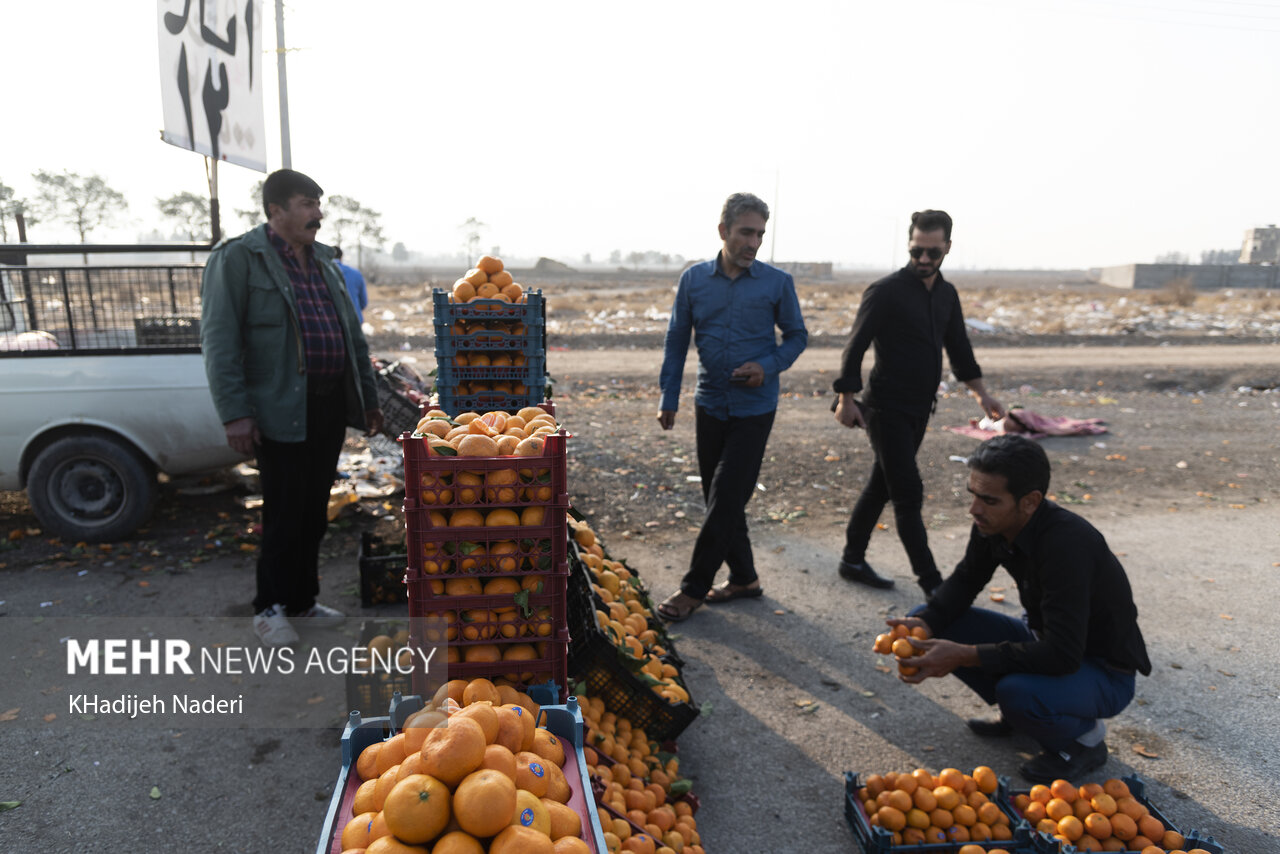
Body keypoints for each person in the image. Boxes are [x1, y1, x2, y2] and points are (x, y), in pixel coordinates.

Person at [886, 435, 1151, 783]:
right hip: (1046, 641)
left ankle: (1083, 741)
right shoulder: (993, 523)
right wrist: (922, 623)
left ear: (1030, 502)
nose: (974, 509)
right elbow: (966, 580)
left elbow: (1062, 656)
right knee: (933, 618)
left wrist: (963, 655)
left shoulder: (1066, 546)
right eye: (974, 496)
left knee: (1016, 691)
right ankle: (1025, 716)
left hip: (1104, 672)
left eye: (989, 500)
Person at [200, 169, 384, 646]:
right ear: (275, 210)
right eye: (306, 204)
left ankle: (302, 601)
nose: (317, 214)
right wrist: (235, 413)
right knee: (283, 512)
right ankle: (269, 607)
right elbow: (220, 342)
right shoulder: (239, 258)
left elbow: (351, 337)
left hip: (326, 409)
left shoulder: (323, 262)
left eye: (318, 204)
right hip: (280, 410)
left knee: (313, 511)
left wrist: (367, 400)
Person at [832, 209, 1005, 595]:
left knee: (881, 485)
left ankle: (851, 560)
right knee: (908, 493)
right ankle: (934, 587)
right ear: (909, 246)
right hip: (884, 409)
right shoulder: (886, 291)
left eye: (933, 253)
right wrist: (846, 399)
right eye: (917, 252)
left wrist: (982, 394)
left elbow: (959, 347)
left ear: (947, 248)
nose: (924, 260)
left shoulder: (946, 294)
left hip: (919, 410)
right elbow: (855, 346)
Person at [654, 192, 808, 622]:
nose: (754, 242)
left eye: (760, 234)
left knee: (724, 498)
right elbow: (676, 339)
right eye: (746, 232)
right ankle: (745, 578)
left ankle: (693, 589)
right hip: (710, 404)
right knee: (721, 499)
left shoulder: (777, 283)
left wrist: (768, 366)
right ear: (723, 231)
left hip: (755, 408)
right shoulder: (693, 280)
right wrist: (669, 395)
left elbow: (797, 336)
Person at [333, 246, 368, 324]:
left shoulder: (320, 273)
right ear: (341, 257)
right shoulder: (356, 273)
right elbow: (363, 302)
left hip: (333, 322)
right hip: (354, 320)